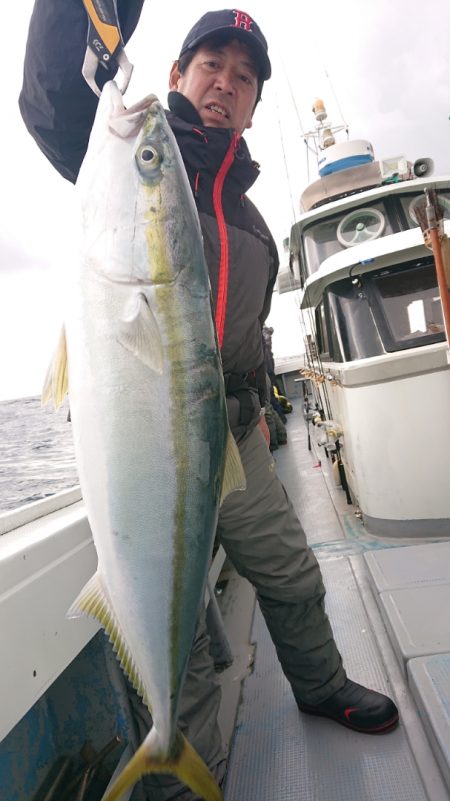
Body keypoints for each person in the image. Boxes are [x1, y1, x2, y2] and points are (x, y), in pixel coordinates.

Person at [19, 5, 399, 799]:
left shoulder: (256, 224)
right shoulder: (134, 166)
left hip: (234, 435)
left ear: (255, 104)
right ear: (177, 76)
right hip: (153, 440)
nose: (225, 85)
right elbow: (53, 96)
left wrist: (258, 401)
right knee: (180, 634)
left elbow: (252, 332)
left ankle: (322, 683)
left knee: (293, 574)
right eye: (210, 67)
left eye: (244, 77)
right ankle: (181, 778)